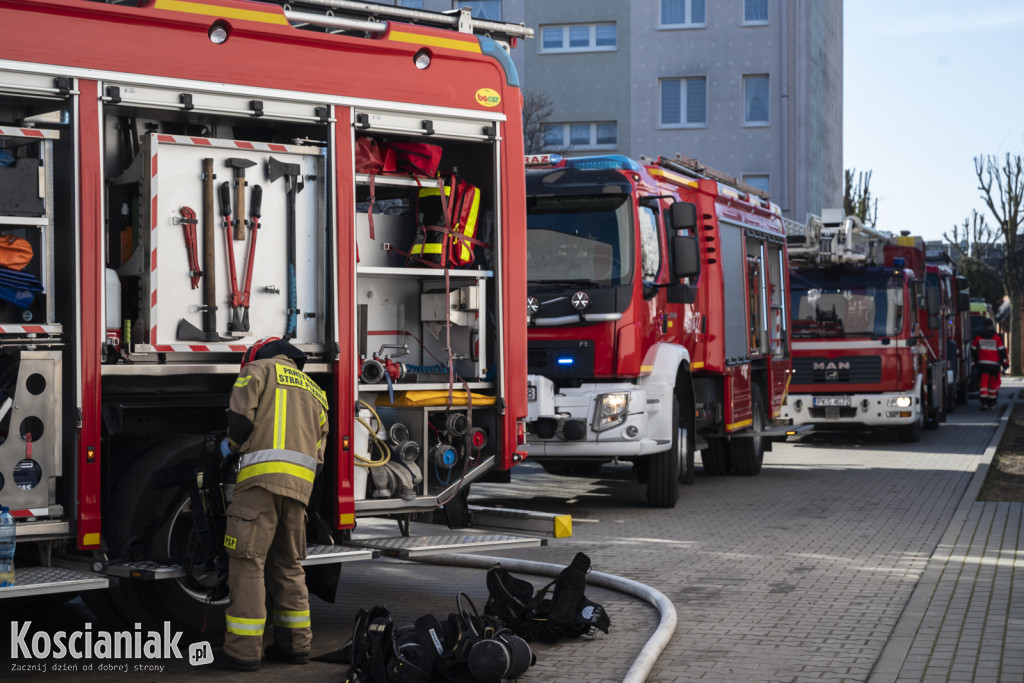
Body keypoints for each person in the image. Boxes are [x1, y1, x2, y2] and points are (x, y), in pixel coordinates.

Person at [213, 337, 329, 671]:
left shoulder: (258, 370)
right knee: (289, 565)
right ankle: (296, 646)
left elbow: (240, 420)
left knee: (248, 562)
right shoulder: (316, 391)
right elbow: (318, 459)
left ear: (258, 354)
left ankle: (242, 652)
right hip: (299, 491)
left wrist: (231, 448)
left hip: (259, 485)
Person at [970, 319, 1008, 410]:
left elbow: (973, 349)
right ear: (992, 326)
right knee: (992, 385)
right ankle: (992, 402)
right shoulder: (996, 338)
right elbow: (1002, 352)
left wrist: (976, 358)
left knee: (983, 383)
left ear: (983, 327)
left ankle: (984, 402)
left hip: (982, 364)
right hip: (994, 365)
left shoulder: (978, 337)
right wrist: (1005, 364)